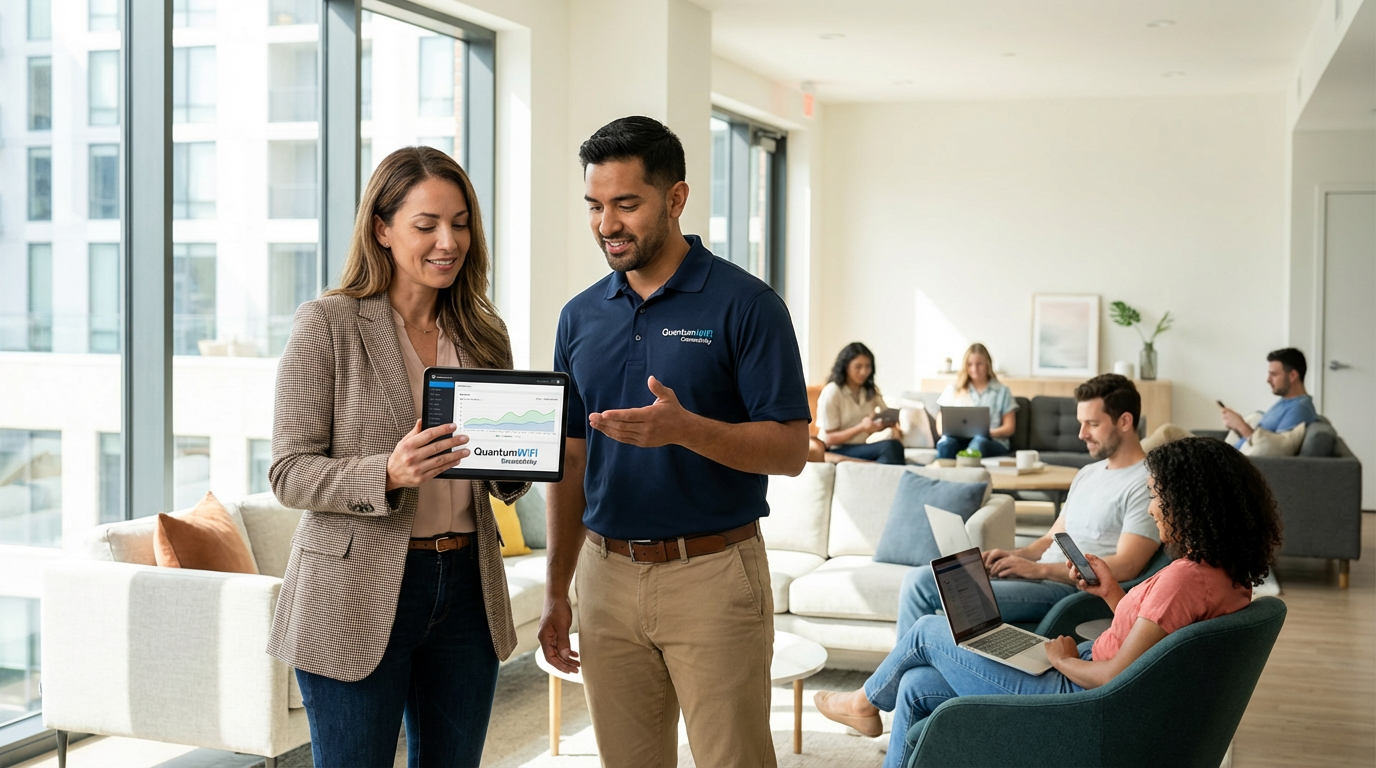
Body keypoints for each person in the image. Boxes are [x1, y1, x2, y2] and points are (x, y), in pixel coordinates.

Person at [537, 116, 811, 768]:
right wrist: (557, 588)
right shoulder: (578, 317)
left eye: (627, 204)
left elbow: (791, 449)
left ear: (676, 199)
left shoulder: (747, 305)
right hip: (604, 578)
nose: (608, 224)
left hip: (714, 576)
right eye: (596, 206)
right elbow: (571, 460)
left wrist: (687, 430)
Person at [267, 147, 528, 768]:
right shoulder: (328, 325)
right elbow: (288, 472)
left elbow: (498, 476)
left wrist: (526, 455)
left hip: (467, 587)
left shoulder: (483, 334)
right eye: (426, 224)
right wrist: (387, 472)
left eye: (461, 223)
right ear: (382, 230)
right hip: (354, 591)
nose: (449, 240)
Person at [814, 436, 1283, 767]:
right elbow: (1150, 643)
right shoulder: (1224, 578)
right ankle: (871, 709)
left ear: (1193, 506)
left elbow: (1112, 677)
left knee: (927, 631)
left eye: (1160, 497)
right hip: (1096, 690)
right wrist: (1112, 594)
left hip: (1077, 702)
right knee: (916, 686)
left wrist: (1059, 660)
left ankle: (862, 701)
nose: (1155, 507)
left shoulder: (1182, 579)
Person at [899, 374, 1160, 633]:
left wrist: (1038, 570)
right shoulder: (1087, 474)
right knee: (935, 587)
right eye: (1081, 423)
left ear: (1125, 421)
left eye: (1092, 424)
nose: (1082, 434)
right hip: (1041, 579)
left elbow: (1127, 565)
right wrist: (1013, 556)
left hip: (1068, 593)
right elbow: (1052, 538)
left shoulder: (1145, 482)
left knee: (922, 583)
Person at [817, 342, 906, 464]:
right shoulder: (832, 392)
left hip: (860, 447)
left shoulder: (870, 389)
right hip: (837, 449)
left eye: (867, 366)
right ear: (846, 367)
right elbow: (830, 438)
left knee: (893, 448)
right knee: (890, 448)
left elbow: (885, 413)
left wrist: (882, 425)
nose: (864, 372)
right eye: (858, 367)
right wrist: (861, 428)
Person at [1221, 347, 1318, 450]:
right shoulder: (1285, 401)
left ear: (1293, 376)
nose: (1268, 380)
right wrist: (1236, 426)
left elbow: (1275, 448)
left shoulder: (1300, 408)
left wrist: (1240, 425)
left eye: (1274, 374)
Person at [935, 343, 1017, 459]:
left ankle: (968, 474)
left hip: (990, 442)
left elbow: (1009, 428)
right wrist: (949, 431)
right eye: (970, 364)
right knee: (946, 444)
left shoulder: (1002, 391)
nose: (974, 369)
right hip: (959, 439)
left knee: (979, 442)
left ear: (987, 364)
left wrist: (986, 432)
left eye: (979, 364)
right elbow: (941, 421)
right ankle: (941, 475)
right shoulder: (953, 389)